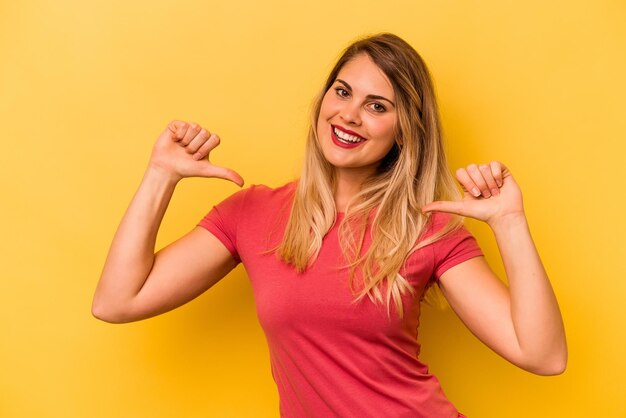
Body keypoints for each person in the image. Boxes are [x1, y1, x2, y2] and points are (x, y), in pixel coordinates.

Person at [92, 33, 567, 417]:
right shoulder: (252, 214)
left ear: (405, 131)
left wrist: (509, 222)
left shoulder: (426, 229)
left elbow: (543, 355)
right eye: (343, 92)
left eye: (378, 106)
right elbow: (117, 301)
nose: (349, 114)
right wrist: (161, 175)